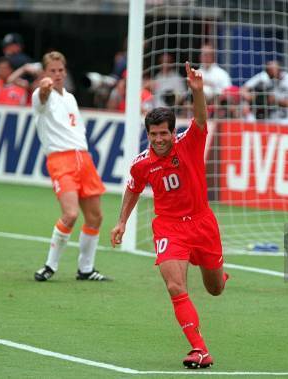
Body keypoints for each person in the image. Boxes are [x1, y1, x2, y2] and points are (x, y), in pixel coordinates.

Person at [110, 62, 228, 369]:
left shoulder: (189, 144)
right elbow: (133, 188)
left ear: (173, 132)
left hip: (202, 223)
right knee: (175, 286)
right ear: (147, 133)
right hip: (169, 228)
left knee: (215, 288)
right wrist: (122, 221)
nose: (159, 139)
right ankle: (200, 349)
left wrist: (197, 91)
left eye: (164, 133)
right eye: (153, 134)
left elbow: (201, 118)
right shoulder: (141, 163)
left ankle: (215, 271)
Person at [32, 51, 109, 282]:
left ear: (65, 71)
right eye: (52, 71)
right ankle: (50, 265)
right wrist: (44, 86)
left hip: (83, 158)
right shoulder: (40, 95)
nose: (56, 74)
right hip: (60, 160)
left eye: (60, 70)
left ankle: (85, 269)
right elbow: (43, 94)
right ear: (44, 73)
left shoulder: (70, 98)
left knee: (95, 217)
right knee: (71, 214)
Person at [240, 60, 288, 125]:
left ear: (280, 70)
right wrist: (249, 99)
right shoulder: (264, 77)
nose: (269, 75)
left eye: (272, 71)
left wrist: (277, 101)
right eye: (268, 71)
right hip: (271, 122)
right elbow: (243, 90)